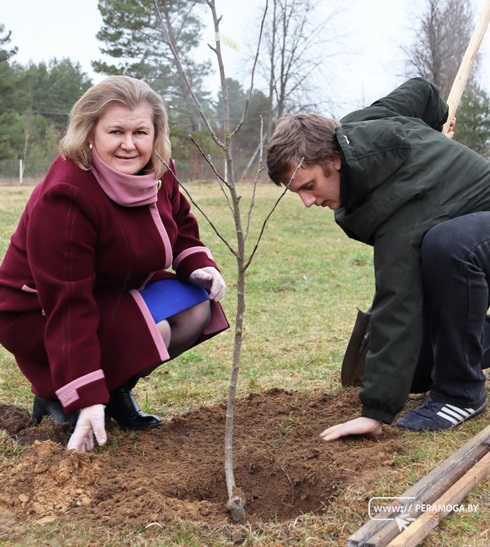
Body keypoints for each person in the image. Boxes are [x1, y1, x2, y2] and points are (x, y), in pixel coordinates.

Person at [0, 75, 229, 452]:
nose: (129, 144)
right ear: (90, 133)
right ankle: (64, 395)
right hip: (38, 312)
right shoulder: (67, 196)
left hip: (115, 289)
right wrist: (87, 397)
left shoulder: (158, 169)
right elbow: (68, 303)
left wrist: (198, 264)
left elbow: (182, 222)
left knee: (196, 308)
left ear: (156, 134)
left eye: (141, 131)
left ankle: (116, 387)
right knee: (156, 329)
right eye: (115, 131)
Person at [266, 77, 490, 440]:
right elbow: (422, 92)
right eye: (298, 193)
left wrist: (376, 412)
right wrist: (435, 125)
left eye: (309, 186)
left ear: (334, 159)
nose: (308, 202)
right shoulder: (360, 125)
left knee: (446, 246)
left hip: (475, 244)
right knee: (417, 371)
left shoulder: (394, 212)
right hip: (477, 249)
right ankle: (452, 365)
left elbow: (397, 300)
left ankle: (460, 393)